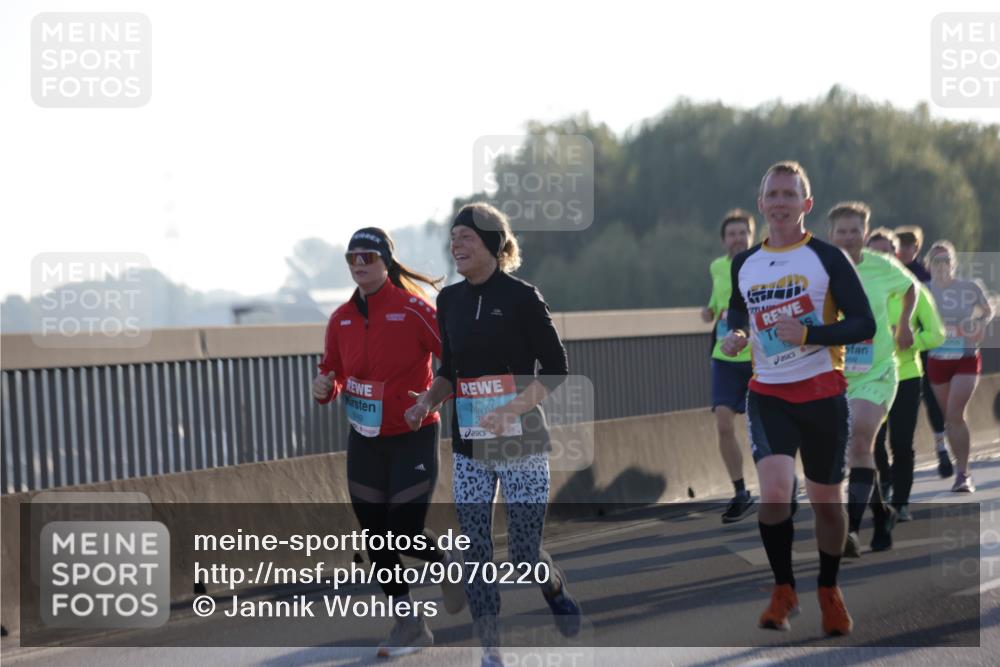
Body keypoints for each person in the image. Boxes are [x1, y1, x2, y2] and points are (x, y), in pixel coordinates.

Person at [404, 203, 582, 667]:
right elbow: (449, 371)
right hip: (470, 448)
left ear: (492, 243)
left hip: (521, 441)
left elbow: (556, 369)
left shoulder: (523, 297)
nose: (455, 245)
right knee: (476, 550)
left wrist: (511, 410)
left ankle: (552, 584)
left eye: (465, 237)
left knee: (523, 555)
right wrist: (426, 401)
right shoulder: (449, 301)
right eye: (452, 238)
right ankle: (491, 650)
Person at [722, 161, 875, 637]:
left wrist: (810, 334)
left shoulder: (827, 258)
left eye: (790, 194)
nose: (781, 203)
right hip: (768, 394)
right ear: (761, 203)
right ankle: (783, 589)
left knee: (827, 503)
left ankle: (829, 588)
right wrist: (737, 334)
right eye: (773, 194)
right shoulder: (745, 263)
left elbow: (864, 323)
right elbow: (738, 310)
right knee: (774, 492)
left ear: (806, 204)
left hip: (823, 392)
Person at [312, 227, 464, 658]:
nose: (359, 264)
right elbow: (332, 373)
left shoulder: (414, 310)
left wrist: (430, 398)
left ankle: (448, 563)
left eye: (368, 257)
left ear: (386, 262)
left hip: (414, 434)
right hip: (366, 438)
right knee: (375, 536)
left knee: (403, 532)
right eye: (352, 258)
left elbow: (453, 361)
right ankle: (410, 625)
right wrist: (324, 387)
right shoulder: (341, 318)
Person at [828, 205, 916, 557]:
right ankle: (882, 513)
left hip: (876, 370)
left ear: (865, 234)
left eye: (855, 231)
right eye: (842, 231)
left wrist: (904, 323)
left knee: (861, 439)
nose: (849, 237)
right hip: (836, 374)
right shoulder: (819, 268)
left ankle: (850, 529)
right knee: (858, 451)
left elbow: (910, 287)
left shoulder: (882, 266)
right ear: (831, 234)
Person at [867, 230, 945, 522]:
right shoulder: (857, 288)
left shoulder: (914, 289)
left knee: (900, 443)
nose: (881, 257)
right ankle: (884, 483)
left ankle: (901, 503)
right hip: (869, 378)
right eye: (875, 252)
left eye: (887, 252)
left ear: (896, 255)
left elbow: (937, 334)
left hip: (906, 375)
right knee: (872, 444)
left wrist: (909, 339)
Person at [701, 209, 757, 523]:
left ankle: (782, 482)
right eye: (731, 234)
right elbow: (720, 298)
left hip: (759, 356)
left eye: (742, 233)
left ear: (752, 236)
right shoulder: (717, 267)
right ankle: (740, 492)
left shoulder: (763, 263)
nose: (737, 239)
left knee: (766, 426)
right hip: (725, 356)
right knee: (724, 423)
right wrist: (710, 311)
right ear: (724, 240)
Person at [925, 240, 995, 492]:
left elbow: (988, 309)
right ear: (929, 265)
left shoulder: (970, 287)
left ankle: (963, 474)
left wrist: (981, 323)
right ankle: (961, 469)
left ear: (953, 263)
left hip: (965, 356)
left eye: (946, 260)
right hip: (937, 359)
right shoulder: (922, 290)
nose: (941, 265)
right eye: (936, 261)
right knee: (951, 419)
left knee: (954, 414)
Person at [896, 225, 952, 477]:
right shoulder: (890, 272)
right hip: (897, 349)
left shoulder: (926, 276)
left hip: (923, 345)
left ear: (916, 248)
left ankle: (941, 447)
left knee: (932, 400)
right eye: (899, 246)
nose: (902, 251)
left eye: (907, 246)